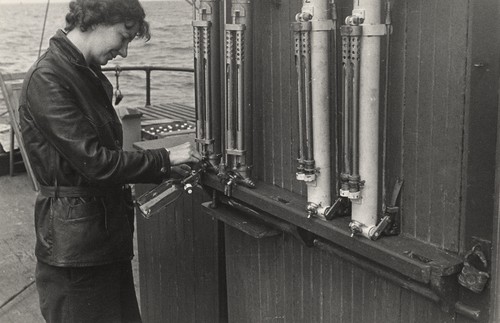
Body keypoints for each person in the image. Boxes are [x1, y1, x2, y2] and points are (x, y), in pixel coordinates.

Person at [18, 0, 201, 322]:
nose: (125, 52)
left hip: (100, 241)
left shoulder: (82, 72)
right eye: (124, 36)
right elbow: (96, 163)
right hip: (75, 251)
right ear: (96, 21)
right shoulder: (48, 78)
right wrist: (166, 156)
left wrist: (165, 168)